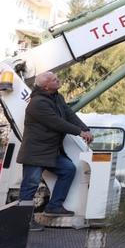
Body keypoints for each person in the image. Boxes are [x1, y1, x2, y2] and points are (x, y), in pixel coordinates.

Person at [17, 71, 93, 228]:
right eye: (54, 80)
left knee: (68, 169)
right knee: (30, 185)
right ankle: (23, 222)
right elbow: (56, 122)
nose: (58, 80)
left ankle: (54, 206)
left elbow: (68, 114)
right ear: (45, 86)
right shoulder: (37, 103)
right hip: (35, 153)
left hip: (50, 152)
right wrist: (80, 132)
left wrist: (85, 128)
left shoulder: (57, 97)